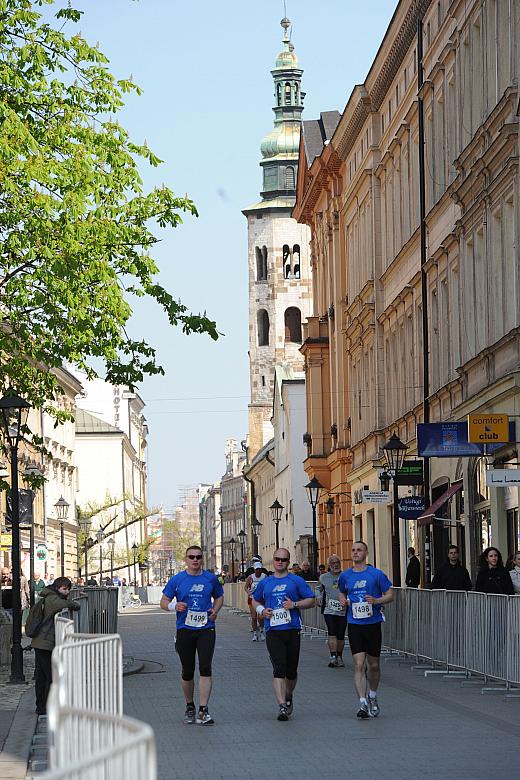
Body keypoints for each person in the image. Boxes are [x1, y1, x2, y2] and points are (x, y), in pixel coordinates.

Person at [160, 545, 224, 726]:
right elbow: (163, 601)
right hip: (185, 629)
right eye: (191, 557)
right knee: (187, 671)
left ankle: (203, 710)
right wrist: (175, 606)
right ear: (186, 559)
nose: (195, 560)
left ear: (202, 559)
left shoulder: (210, 578)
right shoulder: (177, 579)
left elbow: (219, 597)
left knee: (205, 668)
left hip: (206, 628)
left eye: (198, 557)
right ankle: (190, 706)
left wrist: (215, 610)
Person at [252, 548, 315, 721]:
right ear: (273, 560)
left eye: (284, 560)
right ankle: (281, 706)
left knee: (291, 671)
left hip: (292, 629)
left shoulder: (296, 580)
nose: (280, 562)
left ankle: (288, 695)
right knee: (279, 668)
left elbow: (311, 600)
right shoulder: (266, 582)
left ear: (288, 561)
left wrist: (294, 605)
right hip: (273, 630)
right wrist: (262, 610)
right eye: (277, 559)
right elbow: (255, 600)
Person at [338, 541, 393, 719]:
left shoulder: (376, 574)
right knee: (359, 664)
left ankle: (373, 696)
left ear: (366, 553)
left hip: (373, 623)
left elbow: (390, 594)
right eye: (353, 550)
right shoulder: (345, 576)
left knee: (374, 665)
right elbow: (341, 591)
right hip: (354, 624)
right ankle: (362, 703)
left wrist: (377, 601)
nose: (355, 553)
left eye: (359, 550)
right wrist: (342, 600)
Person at [31, 576, 80, 715]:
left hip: (42, 641)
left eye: (68, 589)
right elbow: (70, 605)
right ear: (57, 588)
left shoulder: (50, 596)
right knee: (50, 676)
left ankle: (41, 706)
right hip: (45, 642)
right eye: (64, 589)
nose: (67, 592)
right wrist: (73, 603)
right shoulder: (53, 599)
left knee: (42, 676)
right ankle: (46, 706)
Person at [317, 554, 347, 667]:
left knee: (341, 634)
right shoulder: (324, 577)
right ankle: (333, 656)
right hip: (329, 609)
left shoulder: (346, 576)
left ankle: (339, 656)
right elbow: (318, 588)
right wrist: (318, 597)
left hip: (343, 609)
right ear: (329, 565)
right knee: (332, 632)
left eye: (337, 562)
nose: (336, 565)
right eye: (333, 563)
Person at [244, 561, 267, 640]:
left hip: (261, 599)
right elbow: (245, 587)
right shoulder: (251, 577)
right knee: (254, 617)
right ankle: (255, 633)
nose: (258, 571)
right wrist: (248, 592)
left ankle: (261, 631)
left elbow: (268, 585)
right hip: (252, 598)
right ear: (254, 570)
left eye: (259, 569)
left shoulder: (264, 576)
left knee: (261, 617)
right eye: (257, 569)